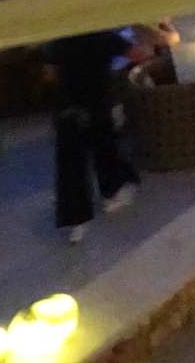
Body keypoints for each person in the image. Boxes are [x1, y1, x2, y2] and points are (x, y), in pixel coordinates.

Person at [48, 30, 146, 243]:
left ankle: (76, 221)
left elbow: (51, 72)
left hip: (67, 105)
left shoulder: (60, 37)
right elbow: (136, 54)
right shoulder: (102, 35)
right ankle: (112, 193)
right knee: (105, 147)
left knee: (71, 162)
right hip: (97, 102)